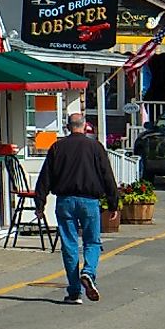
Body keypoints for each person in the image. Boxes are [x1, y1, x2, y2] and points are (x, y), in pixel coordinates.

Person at [34, 110, 121, 303]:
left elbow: (45, 177)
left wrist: (40, 203)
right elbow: (107, 176)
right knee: (92, 241)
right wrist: (113, 203)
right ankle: (88, 272)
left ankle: (74, 292)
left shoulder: (57, 147)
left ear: (67, 127)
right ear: (84, 126)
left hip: (65, 201)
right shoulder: (95, 147)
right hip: (89, 201)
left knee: (69, 245)